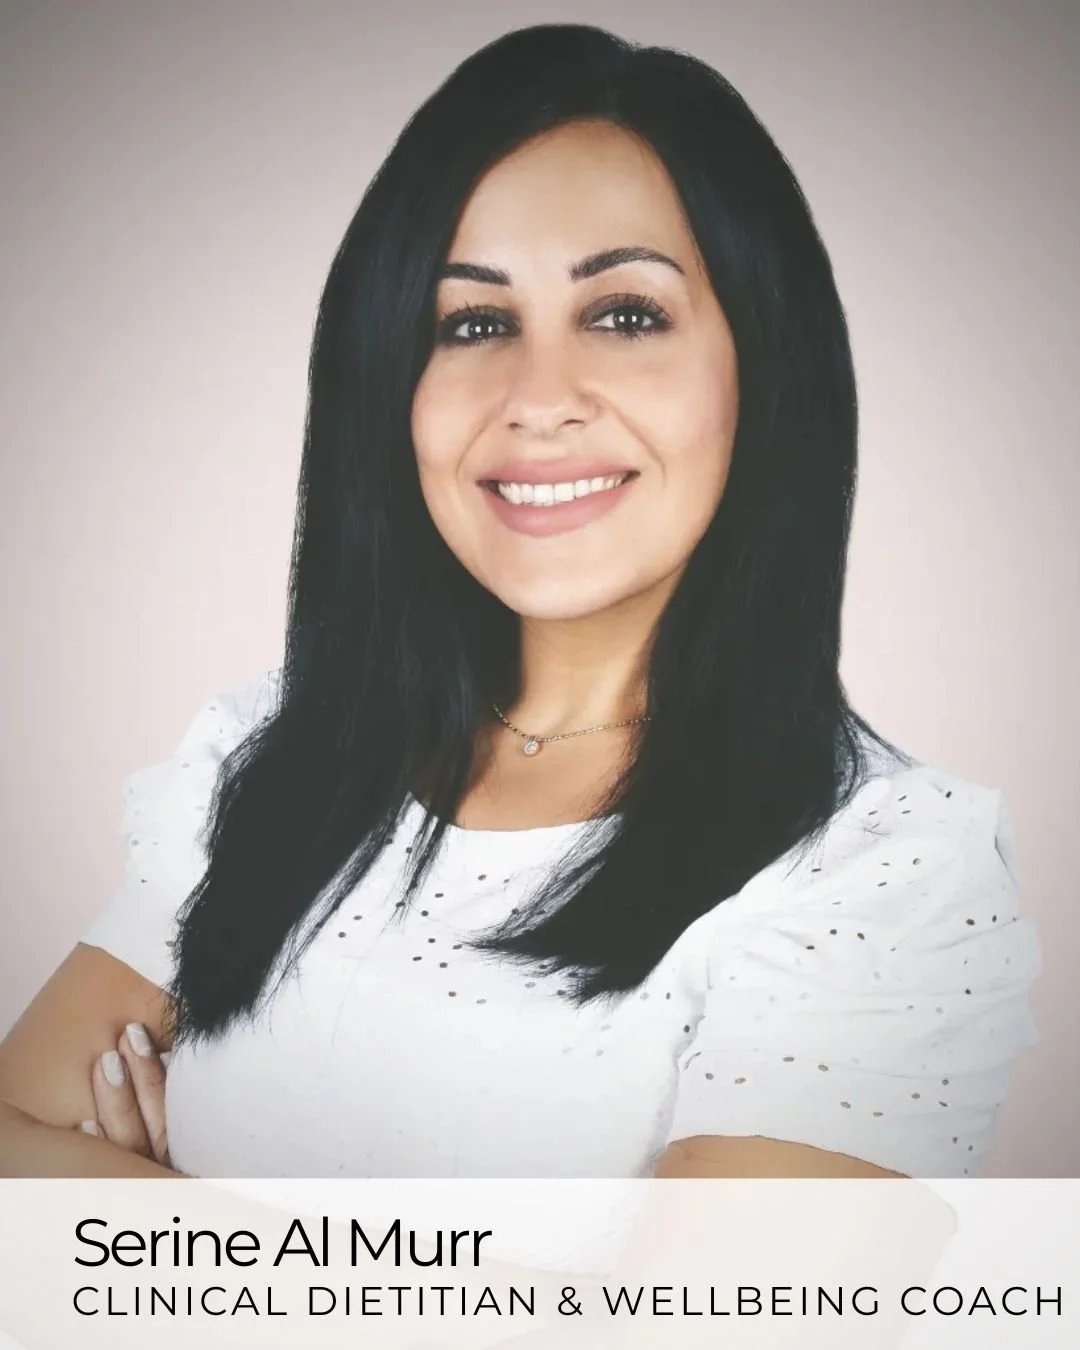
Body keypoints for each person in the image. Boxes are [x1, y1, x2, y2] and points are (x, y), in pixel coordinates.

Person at [0, 23, 1040, 1181]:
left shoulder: (880, 877)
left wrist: (169, 1237)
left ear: (766, 362)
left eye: (626, 314)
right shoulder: (277, 758)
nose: (538, 399)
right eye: (474, 325)